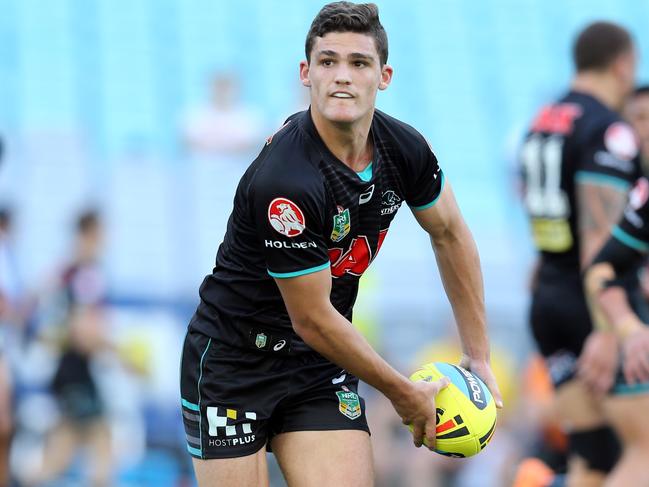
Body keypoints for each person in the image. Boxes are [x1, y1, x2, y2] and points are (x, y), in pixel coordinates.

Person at [180, 2, 502, 486]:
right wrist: (401, 391)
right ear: (306, 73)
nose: (342, 76)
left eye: (359, 63)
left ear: (384, 76)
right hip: (234, 365)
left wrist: (477, 355)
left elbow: (451, 232)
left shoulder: (405, 149)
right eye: (328, 62)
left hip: (315, 368)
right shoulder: (286, 179)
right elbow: (311, 318)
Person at [519, 21, 640, 485]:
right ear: (622, 64)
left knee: (594, 457)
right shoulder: (607, 129)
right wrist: (608, 329)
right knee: (640, 453)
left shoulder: (541, 122)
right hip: (591, 308)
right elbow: (600, 238)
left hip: (547, 297)